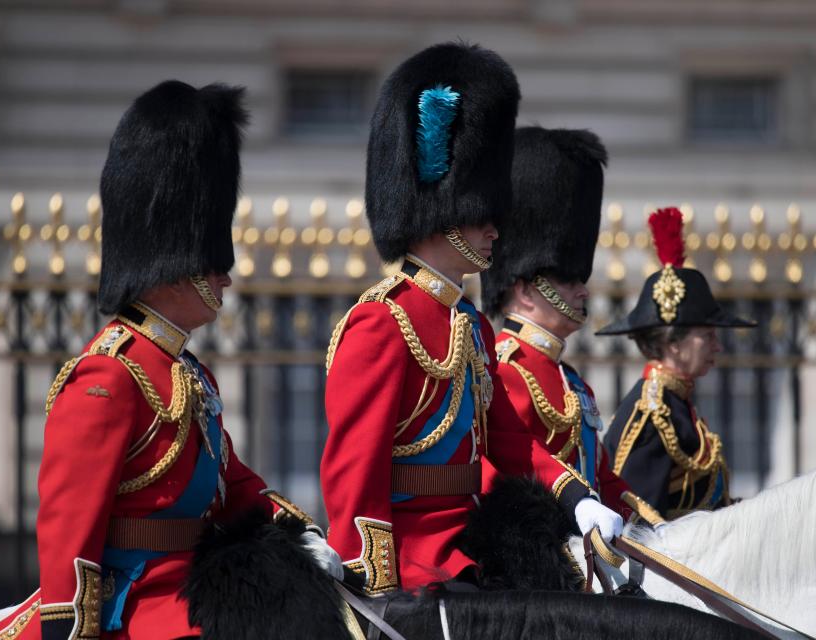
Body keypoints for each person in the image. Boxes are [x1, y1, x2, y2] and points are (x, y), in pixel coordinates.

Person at [0, 81, 340, 640]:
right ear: (172, 262)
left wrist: (298, 531)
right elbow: (70, 535)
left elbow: (235, 486)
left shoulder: (188, 373)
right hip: (131, 609)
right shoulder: (109, 377)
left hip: (197, 594)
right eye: (212, 262)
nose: (226, 276)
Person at [321, 43, 622, 595]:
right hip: (412, 565)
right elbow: (354, 465)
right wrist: (373, 574)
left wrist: (575, 498)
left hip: (471, 551)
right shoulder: (381, 321)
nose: (495, 231)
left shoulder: (470, 325)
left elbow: (510, 441)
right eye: (483, 214)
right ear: (445, 211)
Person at [480, 126, 631, 522]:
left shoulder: (571, 380)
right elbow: (511, 461)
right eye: (568, 280)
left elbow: (602, 478)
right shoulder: (505, 371)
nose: (583, 292)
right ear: (526, 290)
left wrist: (653, 526)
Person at [597, 207, 756, 519]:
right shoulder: (652, 415)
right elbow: (638, 526)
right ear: (673, 342)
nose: (717, 345)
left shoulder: (675, 404)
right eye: (707, 335)